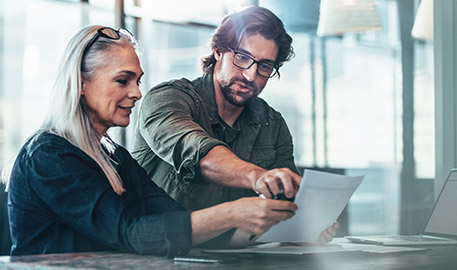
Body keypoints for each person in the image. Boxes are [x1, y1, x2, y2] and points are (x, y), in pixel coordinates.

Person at [6, 25, 305, 256]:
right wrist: (233, 212)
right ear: (81, 83)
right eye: (123, 80)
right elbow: (131, 233)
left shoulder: (115, 157)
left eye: (137, 81)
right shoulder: (49, 155)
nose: (137, 93)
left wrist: (267, 220)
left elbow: (178, 221)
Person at [132, 5, 339, 242]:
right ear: (219, 51)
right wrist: (256, 175)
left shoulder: (273, 124)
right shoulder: (168, 98)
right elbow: (199, 154)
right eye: (242, 57)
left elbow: (286, 202)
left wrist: (307, 225)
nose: (251, 75)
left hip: (234, 255)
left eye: (264, 66)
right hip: (156, 254)